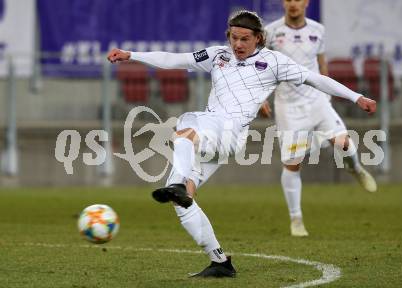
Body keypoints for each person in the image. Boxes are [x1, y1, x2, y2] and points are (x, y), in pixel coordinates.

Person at [107, 10, 376, 278]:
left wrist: (356, 97)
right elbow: (174, 59)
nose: (238, 45)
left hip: (230, 131)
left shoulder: (275, 62)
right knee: (183, 200)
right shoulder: (217, 55)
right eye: (234, 38)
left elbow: (316, 79)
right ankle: (220, 261)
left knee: (185, 130)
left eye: (245, 39)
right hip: (213, 134)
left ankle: (177, 183)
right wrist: (132, 55)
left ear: (258, 38)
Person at [263, 0, 377, 237]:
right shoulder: (271, 32)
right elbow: (262, 67)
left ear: (306, 3)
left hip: (316, 100)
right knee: (293, 164)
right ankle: (296, 220)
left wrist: (328, 93)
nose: (293, 4)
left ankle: (355, 168)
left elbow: (322, 66)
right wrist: (261, 96)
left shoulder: (318, 30)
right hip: (288, 106)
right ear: (284, 3)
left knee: (343, 143)